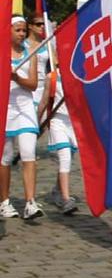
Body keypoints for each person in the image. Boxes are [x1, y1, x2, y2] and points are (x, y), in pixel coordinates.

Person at [1, 17, 42, 220]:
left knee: (29, 153)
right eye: (17, 30)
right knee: (6, 158)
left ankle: (30, 202)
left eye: (24, 30)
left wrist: (17, 78)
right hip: (5, 109)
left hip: (25, 109)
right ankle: (5, 201)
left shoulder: (31, 53)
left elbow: (34, 84)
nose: (21, 34)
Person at [41, 71, 78, 215]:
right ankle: (66, 199)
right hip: (58, 120)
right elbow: (44, 101)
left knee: (69, 157)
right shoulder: (52, 77)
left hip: (74, 122)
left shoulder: (79, 75)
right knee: (65, 157)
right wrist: (38, 123)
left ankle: (57, 190)